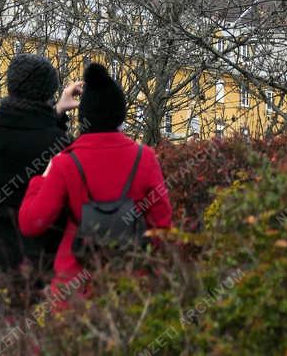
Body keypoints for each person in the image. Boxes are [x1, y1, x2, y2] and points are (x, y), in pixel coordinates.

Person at [19, 63, 172, 302]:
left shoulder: (65, 162)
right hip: (132, 288)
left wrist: (41, 179)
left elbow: (32, 223)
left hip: (76, 289)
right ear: (120, 115)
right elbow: (162, 225)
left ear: (84, 118)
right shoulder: (145, 158)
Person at [0, 54, 83, 309]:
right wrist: (57, 115)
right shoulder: (59, 144)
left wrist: (55, 112)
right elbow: (43, 144)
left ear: (11, 87)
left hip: (2, 262)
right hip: (43, 265)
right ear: (48, 92)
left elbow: (24, 136)